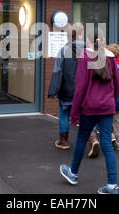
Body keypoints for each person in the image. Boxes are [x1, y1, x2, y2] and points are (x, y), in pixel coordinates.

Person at [59, 28, 119, 194]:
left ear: (88, 41)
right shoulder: (111, 57)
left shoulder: (85, 57)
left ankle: (73, 173)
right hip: (107, 107)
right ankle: (112, 185)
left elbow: (80, 88)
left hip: (89, 108)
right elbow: (117, 85)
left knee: (81, 139)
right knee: (107, 143)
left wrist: (74, 113)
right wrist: (111, 103)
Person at [48, 23, 94, 151]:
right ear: (81, 34)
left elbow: (57, 71)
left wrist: (53, 90)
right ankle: (93, 139)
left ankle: (63, 141)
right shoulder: (90, 51)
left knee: (63, 114)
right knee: (87, 114)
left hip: (67, 91)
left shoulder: (63, 51)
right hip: (86, 91)